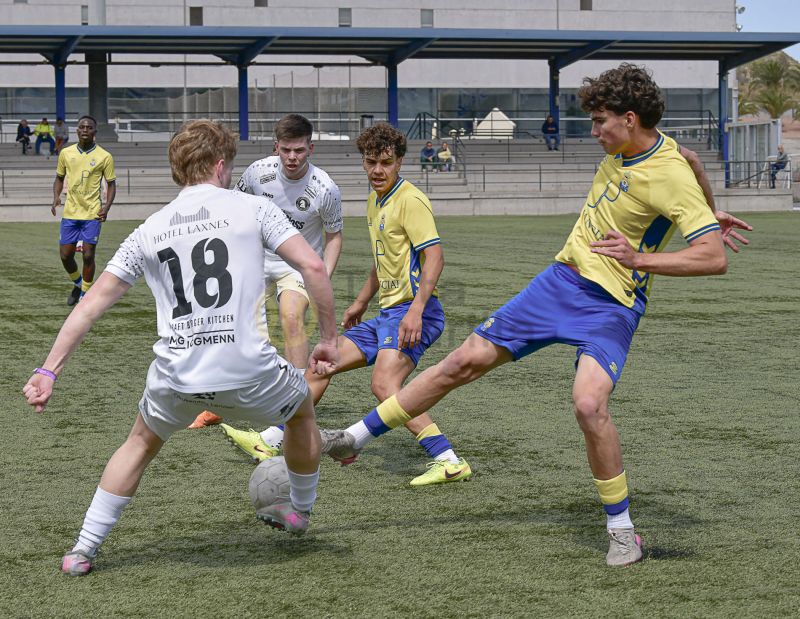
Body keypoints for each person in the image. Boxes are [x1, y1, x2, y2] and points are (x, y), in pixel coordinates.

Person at [319, 63, 753, 566]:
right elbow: (693, 159)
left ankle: (622, 531)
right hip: (558, 284)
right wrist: (709, 209)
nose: (594, 132)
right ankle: (352, 438)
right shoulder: (645, 150)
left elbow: (712, 257)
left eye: (600, 122)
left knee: (588, 405)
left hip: (612, 305)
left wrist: (641, 257)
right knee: (462, 361)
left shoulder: (667, 173)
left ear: (630, 119)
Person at [22, 119, 339, 576]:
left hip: (178, 375)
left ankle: (82, 550)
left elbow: (90, 306)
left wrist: (48, 370)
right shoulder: (255, 208)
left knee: (139, 442)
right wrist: (328, 340)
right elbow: (313, 266)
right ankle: (301, 511)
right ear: (220, 165)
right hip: (249, 370)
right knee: (302, 410)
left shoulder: (149, 229)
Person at [229, 122, 471, 486]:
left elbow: (435, 258)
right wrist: (360, 302)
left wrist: (416, 311)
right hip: (389, 314)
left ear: (399, 161)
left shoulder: (411, 200)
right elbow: (382, 260)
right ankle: (270, 439)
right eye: (371, 162)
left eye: (386, 162)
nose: (377, 170)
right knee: (321, 365)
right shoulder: (376, 200)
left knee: (384, 385)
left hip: (415, 312)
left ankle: (448, 459)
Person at [189, 113, 343, 434]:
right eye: (286, 149)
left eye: (299, 150)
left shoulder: (325, 188)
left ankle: (296, 401)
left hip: (296, 264)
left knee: (291, 317)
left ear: (311, 148)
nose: (292, 157)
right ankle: (218, 402)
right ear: (276, 147)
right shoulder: (258, 173)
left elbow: (334, 236)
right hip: (257, 257)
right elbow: (235, 204)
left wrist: (322, 276)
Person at [52, 115, 117, 306]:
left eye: (89, 127)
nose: (85, 130)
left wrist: (106, 207)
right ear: (77, 130)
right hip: (70, 213)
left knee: (88, 255)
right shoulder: (66, 153)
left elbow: (111, 184)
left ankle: (85, 296)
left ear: (95, 131)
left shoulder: (105, 156)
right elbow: (59, 178)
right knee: (65, 256)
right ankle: (78, 284)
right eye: (82, 127)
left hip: (92, 213)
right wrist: (56, 197)